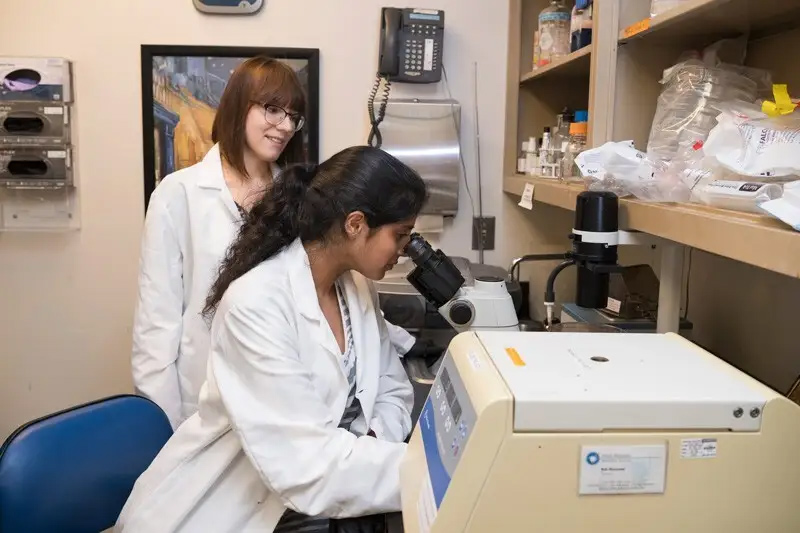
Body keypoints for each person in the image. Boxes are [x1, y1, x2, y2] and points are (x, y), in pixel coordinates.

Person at [115, 146, 428, 532]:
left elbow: (391, 387)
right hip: (231, 509)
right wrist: (427, 473)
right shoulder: (256, 304)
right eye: (400, 235)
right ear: (355, 224)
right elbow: (306, 466)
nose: (403, 251)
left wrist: (375, 438)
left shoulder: (356, 288)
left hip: (322, 499)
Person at [131, 56, 417, 429]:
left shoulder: (299, 194)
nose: (285, 127)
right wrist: (164, 429)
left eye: (293, 117)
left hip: (284, 392)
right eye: (272, 110)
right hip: (205, 401)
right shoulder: (179, 194)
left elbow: (321, 291)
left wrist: (391, 339)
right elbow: (156, 325)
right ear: (237, 107)